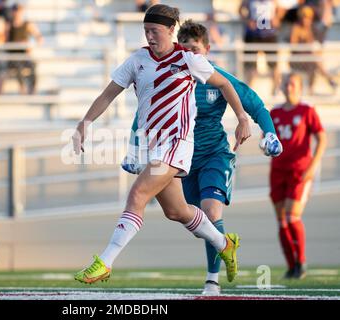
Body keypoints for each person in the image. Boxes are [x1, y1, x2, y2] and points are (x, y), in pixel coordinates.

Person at [72, 4, 251, 286]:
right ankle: (224, 244)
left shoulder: (188, 59)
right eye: (146, 31)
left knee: (137, 196)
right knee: (176, 211)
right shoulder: (137, 60)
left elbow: (226, 85)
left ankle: (105, 262)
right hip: (152, 146)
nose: (150, 37)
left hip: (177, 144)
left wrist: (241, 116)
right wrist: (85, 123)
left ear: (171, 31)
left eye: (154, 31)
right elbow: (108, 95)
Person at [125, 20, 283, 295]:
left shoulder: (216, 77)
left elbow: (254, 102)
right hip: (180, 162)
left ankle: (212, 280)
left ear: (207, 50)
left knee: (211, 212)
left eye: (195, 50)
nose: (190, 55)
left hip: (214, 155)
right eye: (184, 49)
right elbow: (143, 113)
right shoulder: (169, 77)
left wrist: (269, 133)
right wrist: (134, 149)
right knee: (191, 220)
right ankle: (225, 245)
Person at [269, 72, 326, 279]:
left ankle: (301, 262)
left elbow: (322, 138)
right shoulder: (274, 113)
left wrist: (313, 166)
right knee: (281, 221)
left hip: (299, 172)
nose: (288, 87)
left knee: (292, 216)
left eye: (292, 83)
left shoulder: (306, 110)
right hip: (277, 171)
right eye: (286, 83)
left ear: (300, 87)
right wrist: (267, 146)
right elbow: (268, 140)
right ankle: (291, 266)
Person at [239, 0, 282, 95]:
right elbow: (240, 10)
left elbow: (279, 9)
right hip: (253, 35)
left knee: (273, 64)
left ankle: (276, 89)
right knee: (251, 65)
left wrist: (276, 18)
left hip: (269, 35)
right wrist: (247, 21)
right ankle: (248, 91)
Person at [7, 3, 43, 95]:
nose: (17, 13)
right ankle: (22, 88)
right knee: (17, 66)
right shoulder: (9, 24)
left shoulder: (27, 24)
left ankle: (33, 88)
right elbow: (4, 40)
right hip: (13, 56)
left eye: (19, 11)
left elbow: (39, 38)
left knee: (33, 65)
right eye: (15, 11)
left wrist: (29, 44)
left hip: (25, 55)